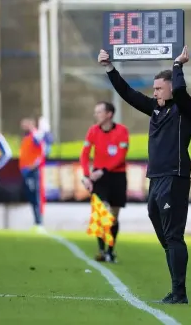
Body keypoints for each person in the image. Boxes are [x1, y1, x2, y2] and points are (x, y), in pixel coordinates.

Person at [98, 46, 191, 304]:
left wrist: (177, 66)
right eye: (153, 89)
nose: (154, 93)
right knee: (162, 230)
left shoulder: (184, 109)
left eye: (159, 89)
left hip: (174, 177)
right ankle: (176, 284)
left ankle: (179, 292)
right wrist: (109, 68)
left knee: (173, 235)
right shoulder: (155, 108)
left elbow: (182, 91)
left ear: (171, 88)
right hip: (156, 178)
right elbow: (128, 94)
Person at [80, 101, 129, 263]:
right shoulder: (93, 131)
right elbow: (85, 154)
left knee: (113, 216)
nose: (96, 115)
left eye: (99, 112)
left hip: (116, 177)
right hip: (98, 178)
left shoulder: (122, 131)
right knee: (101, 213)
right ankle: (101, 250)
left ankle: (110, 250)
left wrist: (104, 170)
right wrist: (87, 175)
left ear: (109, 114)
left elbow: (120, 156)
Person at [19, 118, 47, 233]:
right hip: (26, 170)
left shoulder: (35, 136)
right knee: (31, 197)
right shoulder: (26, 137)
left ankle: (39, 222)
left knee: (36, 197)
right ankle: (37, 222)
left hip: (33, 171)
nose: (23, 126)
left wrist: (34, 165)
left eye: (26, 124)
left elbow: (42, 151)